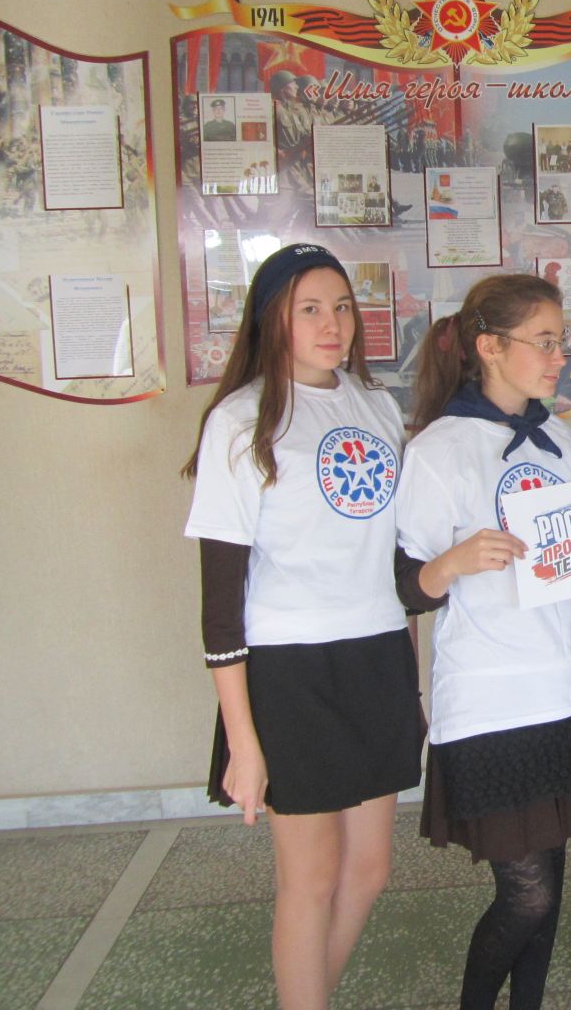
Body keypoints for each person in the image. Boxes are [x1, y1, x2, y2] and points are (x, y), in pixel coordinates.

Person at [394, 274, 571, 1010]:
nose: (559, 357)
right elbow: (404, 587)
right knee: (528, 896)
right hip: (489, 703)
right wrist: (451, 563)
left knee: (551, 885)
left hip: (561, 692)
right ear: (489, 347)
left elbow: (561, 571)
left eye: (562, 341)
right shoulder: (440, 449)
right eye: (544, 342)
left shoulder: (560, 439)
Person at [181, 243, 425, 1010]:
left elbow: (394, 559)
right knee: (310, 878)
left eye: (343, 306)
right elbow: (220, 604)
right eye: (309, 309)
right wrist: (243, 742)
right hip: (290, 669)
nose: (333, 325)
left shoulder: (375, 407)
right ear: (272, 320)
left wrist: (412, 681)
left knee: (370, 870)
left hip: (377, 654)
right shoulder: (240, 420)